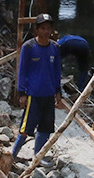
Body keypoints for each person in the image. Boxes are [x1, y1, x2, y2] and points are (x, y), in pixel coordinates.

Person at [12, 13, 64, 162]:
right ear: (37, 30)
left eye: (48, 28)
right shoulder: (29, 47)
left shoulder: (55, 48)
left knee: (46, 127)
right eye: (43, 28)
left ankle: (38, 156)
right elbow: (22, 70)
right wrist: (21, 92)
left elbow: (56, 72)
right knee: (25, 128)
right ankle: (13, 155)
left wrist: (57, 91)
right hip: (33, 95)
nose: (46, 31)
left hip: (48, 95)